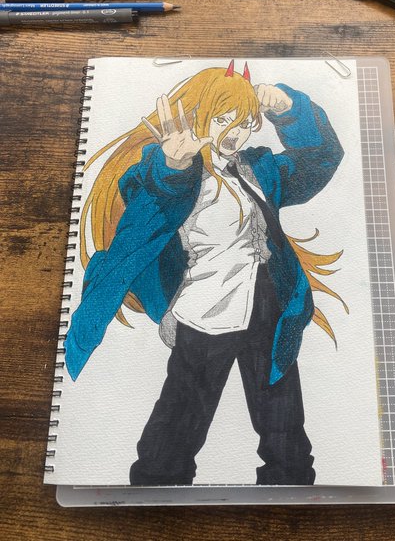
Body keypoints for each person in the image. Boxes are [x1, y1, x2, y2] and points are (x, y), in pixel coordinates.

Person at [64, 61, 344, 485]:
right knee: (177, 426)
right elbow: (148, 195)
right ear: (198, 116)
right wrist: (172, 168)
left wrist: (290, 111)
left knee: (284, 426)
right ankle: (153, 497)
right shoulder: (178, 170)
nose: (235, 132)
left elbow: (320, 160)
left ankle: (293, 495)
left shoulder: (257, 169)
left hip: (269, 308)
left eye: (246, 122)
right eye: (223, 118)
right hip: (205, 313)